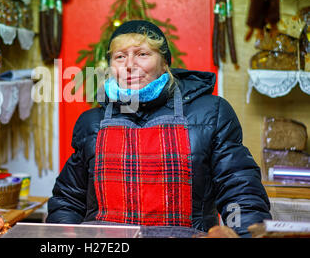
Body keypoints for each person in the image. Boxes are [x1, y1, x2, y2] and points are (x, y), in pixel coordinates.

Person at [46, 20, 271, 237]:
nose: (130, 65)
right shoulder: (92, 123)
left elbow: (240, 192)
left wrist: (244, 234)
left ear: (164, 63)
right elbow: (68, 201)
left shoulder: (212, 112)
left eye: (142, 54)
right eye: (120, 57)